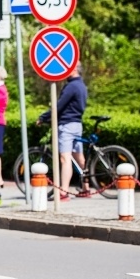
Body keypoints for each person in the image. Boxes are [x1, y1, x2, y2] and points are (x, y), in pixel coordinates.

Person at [38, 63, 88, 200]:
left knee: (65, 159)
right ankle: (86, 188)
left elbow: (59, 106)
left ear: (74, 69)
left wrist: (44, 117)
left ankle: (63, 192)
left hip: (67, 125)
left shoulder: (71, 86)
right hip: (77, 124)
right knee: (79, 158)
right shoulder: (82, 85)